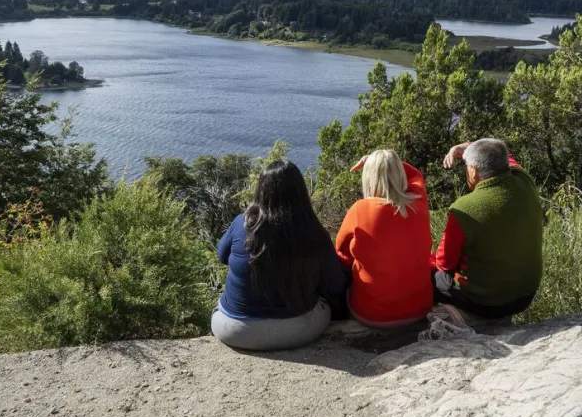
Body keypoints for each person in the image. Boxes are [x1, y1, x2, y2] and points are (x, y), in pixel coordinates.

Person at [212, 160, 348, 351]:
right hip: (299, 330)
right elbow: (335, 284)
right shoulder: (314, 232)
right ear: (300, 193)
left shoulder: (241, 223)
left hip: (234, 331)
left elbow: (222, 256)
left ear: (261, 190)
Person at [431, 138, 544, 320]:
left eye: (466, 165)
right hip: (525, 296)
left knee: (432, 277)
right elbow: (505, 154)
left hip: (486, 304)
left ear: (473, 172)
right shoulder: (525, 181)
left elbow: (443, 264)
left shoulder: (464, 209)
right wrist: (466, 147)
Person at [335, 150, 433, 328]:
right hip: (420, 309)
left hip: (372, 314)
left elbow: (341, 253)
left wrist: (375, 163)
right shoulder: (419, 202)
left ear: (369, 178)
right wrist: (388, 164)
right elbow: (416, 175)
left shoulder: (360, 209)